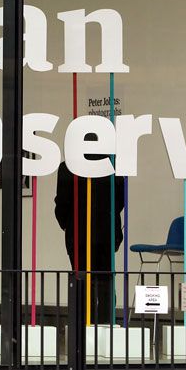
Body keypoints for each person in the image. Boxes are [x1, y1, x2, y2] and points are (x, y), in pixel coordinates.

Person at [53, 137, 126, 324]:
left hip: (78, 234)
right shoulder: (112, 166)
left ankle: (83, 327)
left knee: (81, 282)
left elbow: (62, 204)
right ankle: (105, 326)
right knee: (105, 282)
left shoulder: (67, 167)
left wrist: (68, 224)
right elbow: (120, 201)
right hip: (106, 233)